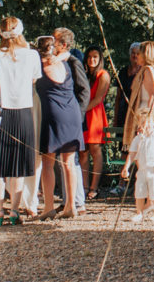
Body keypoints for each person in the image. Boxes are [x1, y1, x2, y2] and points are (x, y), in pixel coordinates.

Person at [0, 18, 41, 224]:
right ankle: (15, 210)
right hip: (23, 110)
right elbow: (35, 79)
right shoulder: (32, 55)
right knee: (18, 165)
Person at [34, 34, 83, 220]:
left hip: (52, 114)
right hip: (72, 113)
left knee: (48, 163)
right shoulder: (64, 63)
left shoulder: (41, 66)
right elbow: (66, 54)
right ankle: (71, 205)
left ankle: (48, 207)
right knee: (69, 163)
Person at [123, 100, 154, 223]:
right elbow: (132, 153)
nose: (144, 125)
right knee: (139, 191)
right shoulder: (138, 138)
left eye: (148, 122)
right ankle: (139, 213)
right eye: (142, 122)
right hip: (142, 170)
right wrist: (126, 167)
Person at [83, 49, 112, 199]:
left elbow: (98, 98)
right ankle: (84, 186)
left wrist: (81, 111)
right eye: (89, 57)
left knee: (95, 150)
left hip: (94, 113)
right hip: (83, 114)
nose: (91, 59)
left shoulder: (103, 75)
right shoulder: (85, 74)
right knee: (83, 151)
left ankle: (94, 187)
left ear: (99, 58)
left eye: (95, 57)